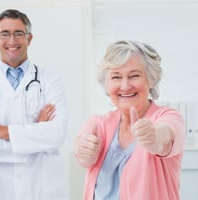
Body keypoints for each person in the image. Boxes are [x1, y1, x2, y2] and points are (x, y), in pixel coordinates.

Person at [0, 9, 68, 200]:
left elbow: (56, 135)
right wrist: (35, 133)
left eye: (18, 33)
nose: (12, 41)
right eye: (5, 34)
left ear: (29, 38)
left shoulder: (51, 81)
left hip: (42, 189)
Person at [75, 40, 185, 200]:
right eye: (116, 77)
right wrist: (84, 151)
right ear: (106, 84)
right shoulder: (99, 123)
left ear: (151, 79)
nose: (125, 86)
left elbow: (166, 135)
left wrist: (153, 136)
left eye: (134, 76)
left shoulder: (168, 117)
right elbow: (83, 150)